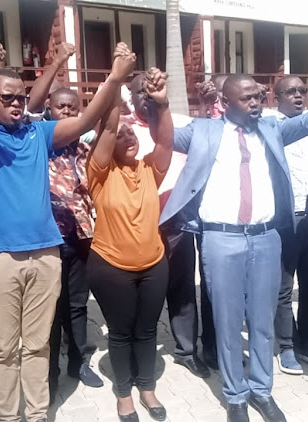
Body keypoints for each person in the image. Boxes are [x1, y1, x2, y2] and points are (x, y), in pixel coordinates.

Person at [0, 41, 135, 422]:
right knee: (3, 350)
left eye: (20, 97)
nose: (17, 104)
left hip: (46, 255)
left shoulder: (37, 135)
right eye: (7, 97)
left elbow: (83, 123)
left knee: (37, 346)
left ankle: (35, 415)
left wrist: (114, 79)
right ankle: (8, 416)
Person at [160, 49, 308, 421]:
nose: (256, 104)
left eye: (259, 97)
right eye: (247, 99)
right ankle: (236, 396)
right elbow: (164, 137)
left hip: (266, 238)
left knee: (261, 322)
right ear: (226, 102)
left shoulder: (272, 128)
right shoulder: (203, 130)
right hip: (220, 239)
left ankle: (262, 390)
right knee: (228, 324)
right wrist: (159, 103)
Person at [87, 67, 172, 422]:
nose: (128, 137)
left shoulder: (149, 169)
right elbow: (108, 129)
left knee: (148, 329)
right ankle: (124, 394)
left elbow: (166, 141)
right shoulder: (99, 173)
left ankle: (147, 387)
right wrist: (117, 86)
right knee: (121, 334)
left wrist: (162, 104)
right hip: (111, 267)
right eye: (120, 135)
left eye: (131, 133)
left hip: (154, 265)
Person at [121, 72, 209, 379]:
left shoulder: (181, 124)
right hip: (136, 225)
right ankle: (136, 355)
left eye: (151, 92)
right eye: (139, 93)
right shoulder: (121, 129)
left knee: (182, 289)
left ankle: (187, 351)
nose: (146, 98)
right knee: (138, 293)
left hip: (177, 220)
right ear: (129, 97)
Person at [268, 76, 308, 373]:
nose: (297, 96)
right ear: (275, 97)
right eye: (290, 92)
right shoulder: (271, 125)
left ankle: (307, 340)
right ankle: (285, 345)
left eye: (301, 91)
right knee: (283, 285)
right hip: (286, 217)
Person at [46, 87, 104, 397]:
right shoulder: (39, 146)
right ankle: (50, 370)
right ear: (49, 110)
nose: (66, 112)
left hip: (80, 237)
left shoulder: (83, 151)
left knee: (78, 304)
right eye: (60, 107)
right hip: (47, 242)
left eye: (72, 107)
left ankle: (78, 362)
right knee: (52, 308)